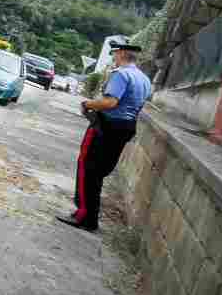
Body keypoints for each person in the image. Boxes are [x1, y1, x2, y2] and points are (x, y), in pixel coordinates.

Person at [57, 42, 152, 232]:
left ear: (123, 53)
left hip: (106, 127)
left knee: (88, 169)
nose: (114, 57)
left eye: (115, 53)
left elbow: (110, 102)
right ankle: (89, 216)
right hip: (125, 128)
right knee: (99, 172)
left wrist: (88, 103)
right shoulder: (144, 79)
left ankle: (85, 216)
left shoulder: (121, 74)